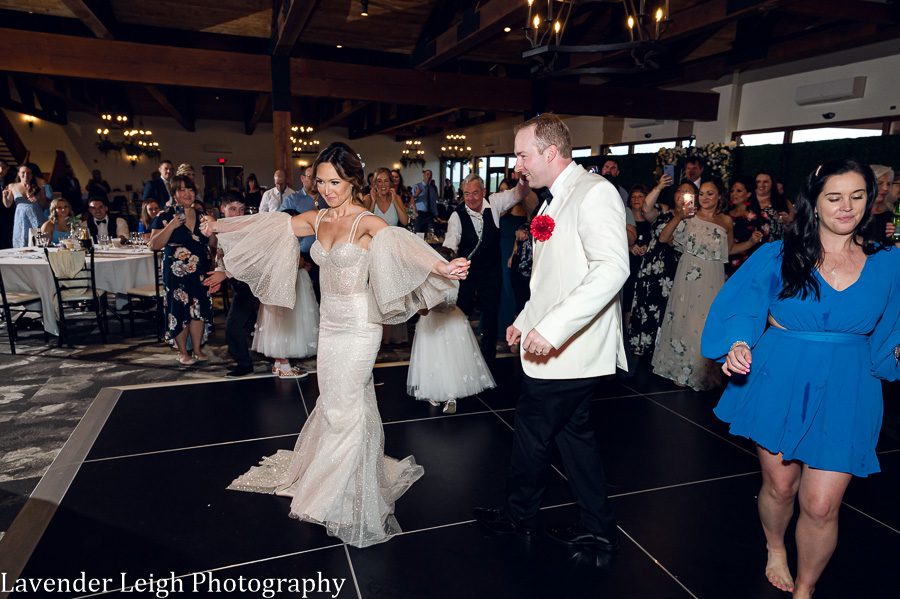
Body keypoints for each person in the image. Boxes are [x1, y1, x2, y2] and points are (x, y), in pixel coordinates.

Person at [207, 142, 470, 547]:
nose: (328, 189)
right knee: (334, 400)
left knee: (345, 403)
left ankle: (337, 492)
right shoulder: (317, 218)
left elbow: (401, 245)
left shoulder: (366, 222)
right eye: (322, 181)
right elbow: (271, 226)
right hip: (329, 325)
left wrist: (441, 265)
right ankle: (346, 471)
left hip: (362, 324)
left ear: (352, 180)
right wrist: (221, 230)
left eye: (336, 181)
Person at [701, 159, 899, 599]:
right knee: (780, 486)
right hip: (779, 377)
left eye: (857, 196)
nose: (847, 207)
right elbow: (743, 306)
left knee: (822, 504)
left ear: (871, 199)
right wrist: (738, 343)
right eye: (834, 197)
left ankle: (806, 589)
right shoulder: (778, 253)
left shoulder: (889, 263)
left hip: (849, 386)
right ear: (815, 201)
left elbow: (894, 330)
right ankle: (775, 547)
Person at [474, 114, 628, 555]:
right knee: (572, 435)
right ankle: (597, 526)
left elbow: (612, 270)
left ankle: (519, 516)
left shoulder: (594, 193)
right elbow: (553, 278)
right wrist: (525, 319)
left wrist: (554, 329)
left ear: (550, 153)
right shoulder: (550, 200)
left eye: (522, 155)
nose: (518, 164)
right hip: (560, 346)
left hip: (573, 349)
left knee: (532, 431)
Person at [652, 178, 732, 390]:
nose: (705, 198)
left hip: (714, 277)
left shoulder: (726, 222)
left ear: (719, 197)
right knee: (685, 321)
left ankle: (702, 374)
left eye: (710, 193)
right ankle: (680, 370)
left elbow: (729, 250)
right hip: (688, 277)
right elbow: (663, 238)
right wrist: (679, 215)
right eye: (702, 193)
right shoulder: (688, 218)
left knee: (706, 323)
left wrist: (752, 243)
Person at [442, 173, 523, 367]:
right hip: (467, 274)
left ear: (484, 192)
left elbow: (518, 194)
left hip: (491, 272)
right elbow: (450, 243)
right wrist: (447, 262)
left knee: (491, 314)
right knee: (460, 313)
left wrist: (524, 176)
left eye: (475, 193)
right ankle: (457, 356)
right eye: (466, 193)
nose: (470, 198)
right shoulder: (457, 215)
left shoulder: (494, 204)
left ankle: (489, 360)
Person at [149, 175, 213, 366]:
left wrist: (213, 230)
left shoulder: (203, 216)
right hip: (175, 270)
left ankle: (198, 349)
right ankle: (183, 352)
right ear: (174, 194)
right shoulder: (164, 216)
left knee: (198, 308)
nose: (187, 193)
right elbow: (153, 245)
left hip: (199, 268)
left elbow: (212, 244)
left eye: (190, 189)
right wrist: (171, 226)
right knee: (178, 309)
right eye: (182, 190)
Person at [407, 303, 496, 414]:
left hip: (433, 317)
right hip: (454, 315)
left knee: (433, 355)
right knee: (453, 356)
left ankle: (434, 393)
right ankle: (451, 396)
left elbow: (423, 308)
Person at [626, 175, 678, 360]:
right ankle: (642, 345)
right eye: (680, 193)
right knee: (644, 306)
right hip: (651, 267)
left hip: (673, 267)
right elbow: (646, 208)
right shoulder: (662, 211)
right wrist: (660, 186)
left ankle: (663, 349)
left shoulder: (690, 216)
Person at [364, 167, 411, 345]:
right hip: (373, 251)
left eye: (386, 181)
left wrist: (395, 199)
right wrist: (373, 201)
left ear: (390, 183)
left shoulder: (396, 198)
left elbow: (405, 221)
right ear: (374, 184)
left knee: (393, 292)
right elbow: (363, 220)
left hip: (392, 251)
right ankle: (377, 334)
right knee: (377, 292)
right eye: (379, 181)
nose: (382, 185)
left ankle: (393, 334)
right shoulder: (369, 199)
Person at [726, 177, 768, 276]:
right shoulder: (725, 215)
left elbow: (765, 243)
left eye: (738, 191)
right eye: (732, 191)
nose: (734, 194)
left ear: (748, 194)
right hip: (726, 266)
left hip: (750, 267)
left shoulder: (759, 216)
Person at [4, 164, 49, 248]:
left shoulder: (38, 187)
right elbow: (7, 204)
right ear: (18, 174)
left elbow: (44, 205)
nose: (26, 175)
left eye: (29, 173)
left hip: (36, 217)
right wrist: (4, 195)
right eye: (23, 172)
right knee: (21, 242)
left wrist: (37, 199)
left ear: (32, 175)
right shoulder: (12, 186)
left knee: (37, 243)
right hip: (21, 218)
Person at [752, 171, 793, 240]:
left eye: (765, 182)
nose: (761, 185)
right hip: (750, 248)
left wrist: (787, 223)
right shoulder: (746, 202)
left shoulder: (782, 202)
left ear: (772, 184)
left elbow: (790, 230)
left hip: (776, 247)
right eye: (758, 182)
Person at [863, 164, 894, 246]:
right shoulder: (854, 213)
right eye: (880, 183)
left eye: (888, 184)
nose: (885, 188)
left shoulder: (892, 214)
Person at [412, 169, 438, 233]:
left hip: (429, 215)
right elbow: (411, 202)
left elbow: (433, 203)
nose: (428, 176)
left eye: (430, 175)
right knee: (418, 234)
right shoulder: (417, 186)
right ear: (423, 175)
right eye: (427, 174)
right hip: (419, 215)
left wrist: (436, 215)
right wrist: (416, 195)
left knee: (430, 234)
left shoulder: (432, 189)